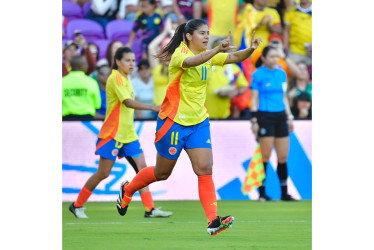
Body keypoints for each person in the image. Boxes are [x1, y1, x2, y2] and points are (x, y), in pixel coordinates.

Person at [116, 19, 262, 236]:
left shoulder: (207, 54)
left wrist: (251, 49)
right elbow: (193, 62)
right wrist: (214, 50)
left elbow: (234, 57)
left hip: (199, 122)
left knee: (205, 168)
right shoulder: (180, 55)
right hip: (173, 123)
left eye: (208, 33)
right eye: (202, 33)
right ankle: (127, 190)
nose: (206, 37)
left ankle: (213, 220)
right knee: (162, 173)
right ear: (188, 36)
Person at [69, 47, 172, 219]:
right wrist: (152, 107)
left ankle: (150, 209)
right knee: (103, 173)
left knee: (142, 170)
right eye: (127, 60)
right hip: (113, 133)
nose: (132, 64)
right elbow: (128, 103)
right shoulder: (115, 78)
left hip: (129, 134)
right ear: (117, 61)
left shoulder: (126, 79)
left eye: (133, 60)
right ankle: (77, 205)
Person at [249, 46, 296, 201]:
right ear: (264, 58)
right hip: (265, 117)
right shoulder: (258, 75)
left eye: (277, 56)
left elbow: (284, 97)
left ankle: (284, 193)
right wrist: (254, 119)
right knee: (265, 156)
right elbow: (254, 99)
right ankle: (262, 193)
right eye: (271, 57)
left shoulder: (282, 74)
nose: (275, 60)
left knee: (282, 157)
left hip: (281, 116)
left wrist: (289, 116)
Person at [205, 38, 249, 119]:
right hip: (203, 115)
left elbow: (244, 86)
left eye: (224, 48)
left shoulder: (234, 68)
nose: (221, 51)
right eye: (217, 47)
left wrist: (236, 93)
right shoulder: (205, 65)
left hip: (225, 114)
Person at [62, 55, 102, 120]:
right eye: (86, 64)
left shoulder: (62, 82)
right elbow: (97, 104)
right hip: (87, 120)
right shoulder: (92, 82)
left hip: (66, 120)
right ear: (81, 66)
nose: (87, 66)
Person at [283, 0, 312, 65]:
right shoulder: (291, 10)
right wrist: (285, 45)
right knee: (293, 73)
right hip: (295, 50)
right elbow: (286, 30)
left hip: (312, 51)